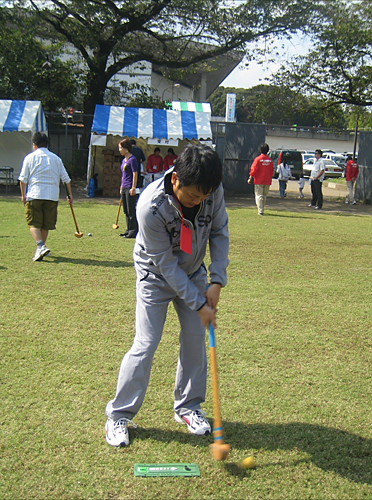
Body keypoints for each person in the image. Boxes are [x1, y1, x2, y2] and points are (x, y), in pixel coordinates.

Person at [105, 144, 229, 447]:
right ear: (175, 180)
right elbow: (166, 265)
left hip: (194, 270)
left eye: (205, 196)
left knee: (193, 340)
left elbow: (219, 230)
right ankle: (118, 415)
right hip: (155, 275)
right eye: (193, 196)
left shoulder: (211, 188)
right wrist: (199, 302)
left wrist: (216, 280)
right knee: (146, 343)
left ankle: (188, 407)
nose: (200, 201)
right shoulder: (150, 206)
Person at [18, 132, 73, 262]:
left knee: (33, 223)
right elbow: (66, 179)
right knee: (45, 224)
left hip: (35, 194)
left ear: (34, 145)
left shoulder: (29, 158)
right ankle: (41, 249)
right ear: (47, 144)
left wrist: (23, 195)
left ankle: (40, 246)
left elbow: (22, 179)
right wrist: (69, 195)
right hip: (52, 196)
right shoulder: (56, 158)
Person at [119, 138, 138, 238]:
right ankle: (128, 229)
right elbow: (123, 174)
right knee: (125, 210)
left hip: (130, 187)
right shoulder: (124, 160)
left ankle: (133, 230)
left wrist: (133, 187)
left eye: (121, 148)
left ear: (126, 148)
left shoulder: (132, 159)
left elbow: (135, 174)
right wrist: (121, 186)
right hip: (124, 186)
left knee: (131, 210)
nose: (119, 150)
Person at [248, 143, 274, 216]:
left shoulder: (258, 159)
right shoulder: (270, 160)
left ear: (260, 150)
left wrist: (250, 178)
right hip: (267, 180)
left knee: (259, 195)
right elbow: (272, 171)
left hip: (259, 180)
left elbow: (254, 169)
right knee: (264, 195)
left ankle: (260, 210)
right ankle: (262, 208)